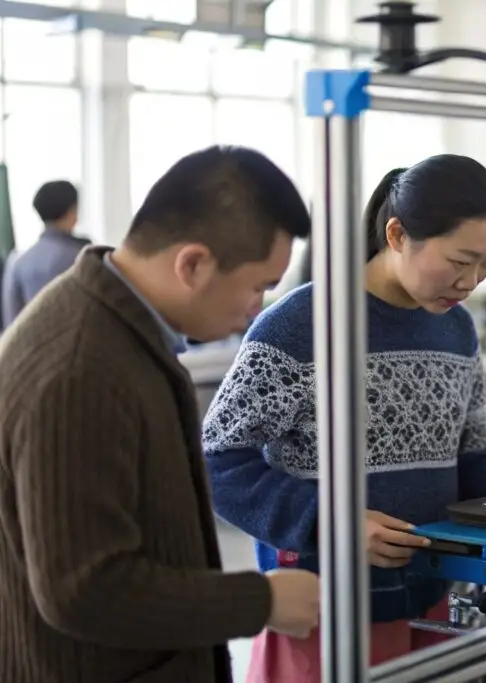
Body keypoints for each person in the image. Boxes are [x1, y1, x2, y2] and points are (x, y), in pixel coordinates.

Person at [0, 146, 322, 683]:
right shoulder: (81, 368)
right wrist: (259, 599)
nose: (257, 308)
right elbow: (84, 589)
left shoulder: (117, 329)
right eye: (259, 285)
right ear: (192, 263)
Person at [202, 153, 486, 680]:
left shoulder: (456, 330)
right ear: (397, 234)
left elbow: (472, 455)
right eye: (460, 259)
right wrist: (334, 524)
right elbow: (218, 460)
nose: (472, 280)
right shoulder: (301, 326)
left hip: (431, 603)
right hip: (322, 612)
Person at [1, 180, 91, 329]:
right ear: (73, 211)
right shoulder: (83, 257)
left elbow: (10, 321)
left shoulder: (18, 261)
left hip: (29, 347)